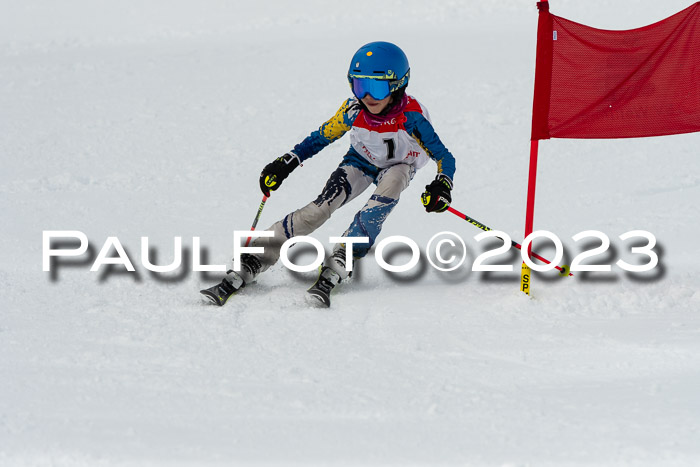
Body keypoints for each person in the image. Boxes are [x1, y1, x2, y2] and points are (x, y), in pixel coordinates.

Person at [205, 41, 456, 307]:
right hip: (360, 162)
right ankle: (258, 254)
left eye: (377, 87)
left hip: (400, 165)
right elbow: (320, 138)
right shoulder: (353, 111)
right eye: (360, 86)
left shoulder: (412, 117)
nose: (368, 96)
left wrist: (443, 184)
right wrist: (286, 163)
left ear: (397, 85)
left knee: (390, 187)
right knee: (319, 210)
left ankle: (345, 253)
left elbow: (444, 157)